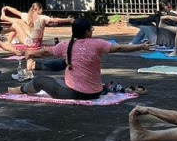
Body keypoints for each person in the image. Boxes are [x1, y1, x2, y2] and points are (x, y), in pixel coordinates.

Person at [9, 18, 152, 99]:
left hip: (75, 93)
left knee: (39, 81)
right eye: (91, 29)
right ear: (87, 32)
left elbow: (46, 51)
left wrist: (30, 53)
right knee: (66, 65)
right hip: (95, 93)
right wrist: (141, 46)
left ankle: (20, 90)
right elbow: (120, 48)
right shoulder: (97, 43)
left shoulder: (66, 45)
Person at [0, 3, 72, 48]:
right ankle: (5, 19)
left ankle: (7, 41)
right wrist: (67, 20)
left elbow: (16, 12)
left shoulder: (28, 16)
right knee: (20, 22)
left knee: (16, 24)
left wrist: (6, 8)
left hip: (31, 43)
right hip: (37, 42)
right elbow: (55, 20)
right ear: (39, 9)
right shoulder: (42, 17)